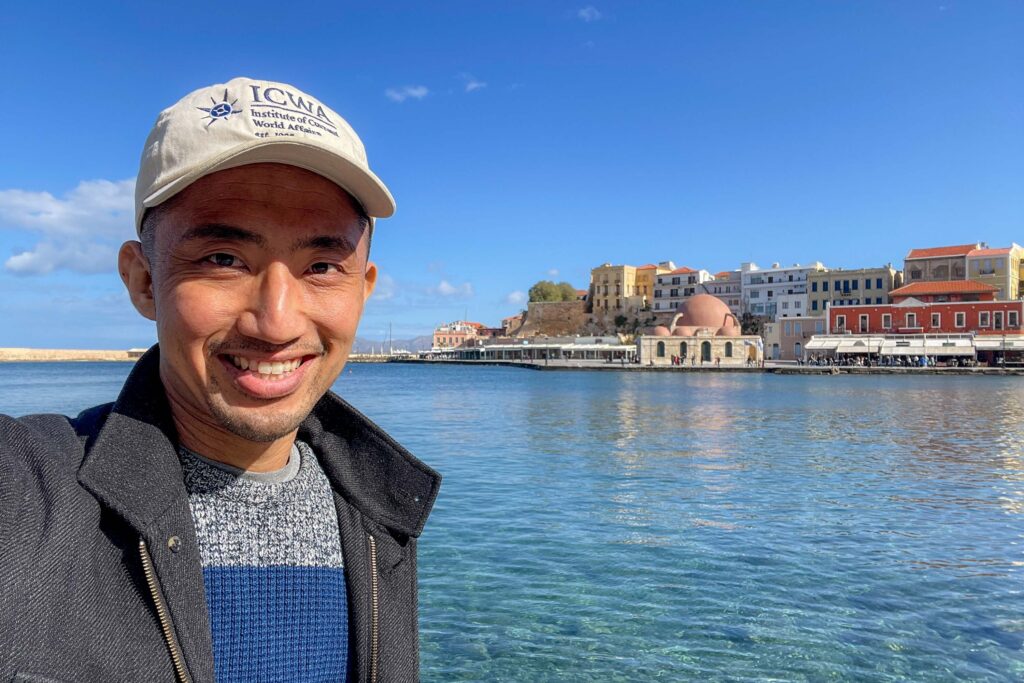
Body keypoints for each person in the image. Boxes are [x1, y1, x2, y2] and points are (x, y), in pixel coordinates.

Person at [0, 78, 441, 682]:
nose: (277, 322)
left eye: (321, 266)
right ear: (143, 280)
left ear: (363, 289)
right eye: (224, 260)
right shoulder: (26, 492)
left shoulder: (379, 516)